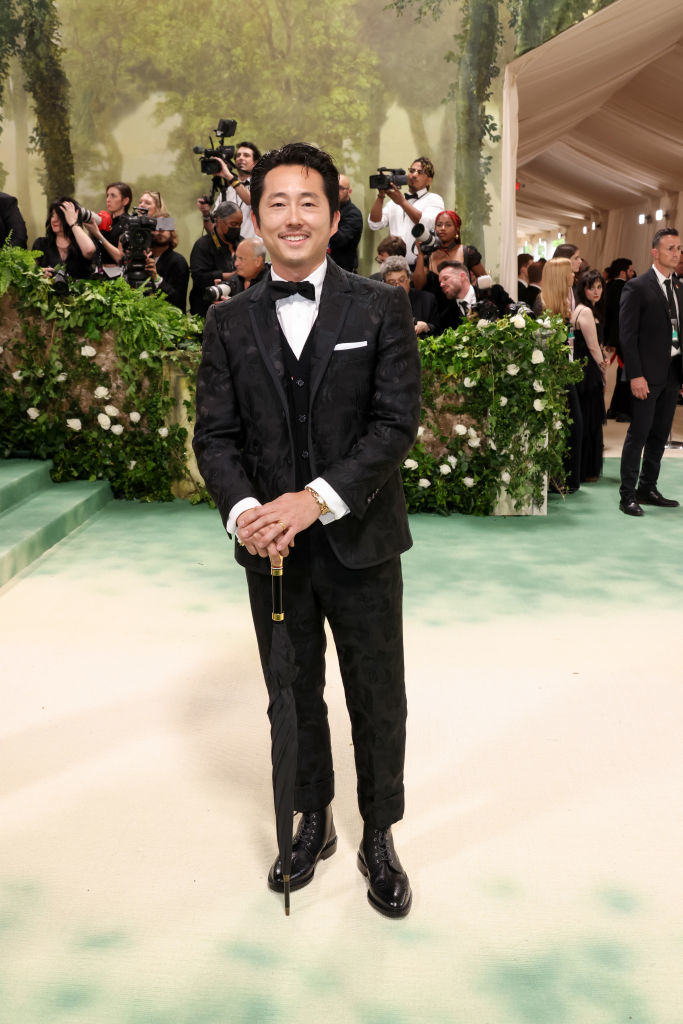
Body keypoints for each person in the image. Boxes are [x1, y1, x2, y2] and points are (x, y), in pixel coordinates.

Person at [193, 141, 420, 918]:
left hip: (360, 544)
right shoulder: (226, 322)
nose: (292, 217)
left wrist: (312, 500)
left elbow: (393, 426)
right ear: (254, 219)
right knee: (290, 695)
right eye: (276, 204)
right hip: (272, 554)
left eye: (307, 203)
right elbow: (214, 438)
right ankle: (311, 820)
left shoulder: (381, 305)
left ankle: (379, 834)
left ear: (333, 216)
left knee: (375, 693)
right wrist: (246, 514)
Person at [618, 227, 683, 516]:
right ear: (655, 252)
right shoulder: (637, 287)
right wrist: (635, 375)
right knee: (639, 434)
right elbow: (627, 336)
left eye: (679, 248)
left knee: (659, 435)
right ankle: (627, 494)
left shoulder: (679, 286)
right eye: (671, 248)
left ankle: (648, 487)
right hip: (646, 373)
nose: (677, 253)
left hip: (673, 372)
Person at [539, 258, 583, 493]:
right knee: (565, 427)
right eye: (569, 272)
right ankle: (560, 480)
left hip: (566, 372)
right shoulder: (543, 305)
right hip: (554, 376)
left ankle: (568, 480)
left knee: (574, 425)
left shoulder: (566, 301)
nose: (573, 276)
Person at [367, 157, 444, 268]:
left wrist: (402, 202)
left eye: (420, 172)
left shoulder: (434, 199)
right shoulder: (395, 201)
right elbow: (374, 223)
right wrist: (381, 196)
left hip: (419, 267)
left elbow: (427, 223)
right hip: (392, 266)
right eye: (412, 171)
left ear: (429, 180)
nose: (414, 175)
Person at [571, 270, 609, 482]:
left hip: (583, 368)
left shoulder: (581, 309)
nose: (597, 292)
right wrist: (603, 369)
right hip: (588, 370)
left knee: (586, 418)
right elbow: (594, 347)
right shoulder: (585, 311)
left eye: (600, 287)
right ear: (582, 289)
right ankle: (587, 470)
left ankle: (584, 468)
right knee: (590, 419)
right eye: (591, 287)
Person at [189, 201, 243, 316]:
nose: (237, 228)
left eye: (239, 224)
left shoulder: (243, 244)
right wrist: (231, 275)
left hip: (235, 311)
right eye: (233, 224)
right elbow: (199, 277)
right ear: (219, 221)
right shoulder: (203, 245)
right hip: (206, 311)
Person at [197, 142, 261, 240]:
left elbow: (250, 200)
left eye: (246, 155)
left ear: (255, 163)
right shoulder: (227, 191)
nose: (241, 158)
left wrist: (229, 176)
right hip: (227, 252)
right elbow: (213, 231)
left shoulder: (261, 185)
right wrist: (206, 214)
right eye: (238, 155)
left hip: (251, 251)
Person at [32, 198, 98, 280]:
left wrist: (73, 223)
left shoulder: (81, 244)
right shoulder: (41, 244)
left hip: (79, 291)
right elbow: (30, 272)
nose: (54, 220)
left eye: (59, 216)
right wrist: (39, 272)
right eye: (52, 215)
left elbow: (89, 250)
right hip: (48, 291)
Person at [380, 255, 438, 336]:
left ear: (409, 278)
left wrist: (426, 327)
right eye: (392, 282)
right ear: (384, 283)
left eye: (401, 280)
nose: (398, 286)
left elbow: (439, 329)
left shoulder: (427, 300)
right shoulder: (378, 303)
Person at [144, 219, 189, 312]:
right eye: (156, 228)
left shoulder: (178, 261)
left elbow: (178, 301)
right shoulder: (143, 258)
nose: (160, 230)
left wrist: (156, 278)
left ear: (172, 233)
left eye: (165, 227)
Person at [328, 174, 362, 272]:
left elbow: (340, 240)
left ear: (349, 191)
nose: (335, 191)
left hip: (343, 271)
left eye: (339, 188)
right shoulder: (328, 209)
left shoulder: (353, 214)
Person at [436, 260, 475, 333]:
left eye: (445, 278)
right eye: (440, 282)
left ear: (462, 276)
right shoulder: (446, 317)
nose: (441, 285)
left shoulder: (494, 294)